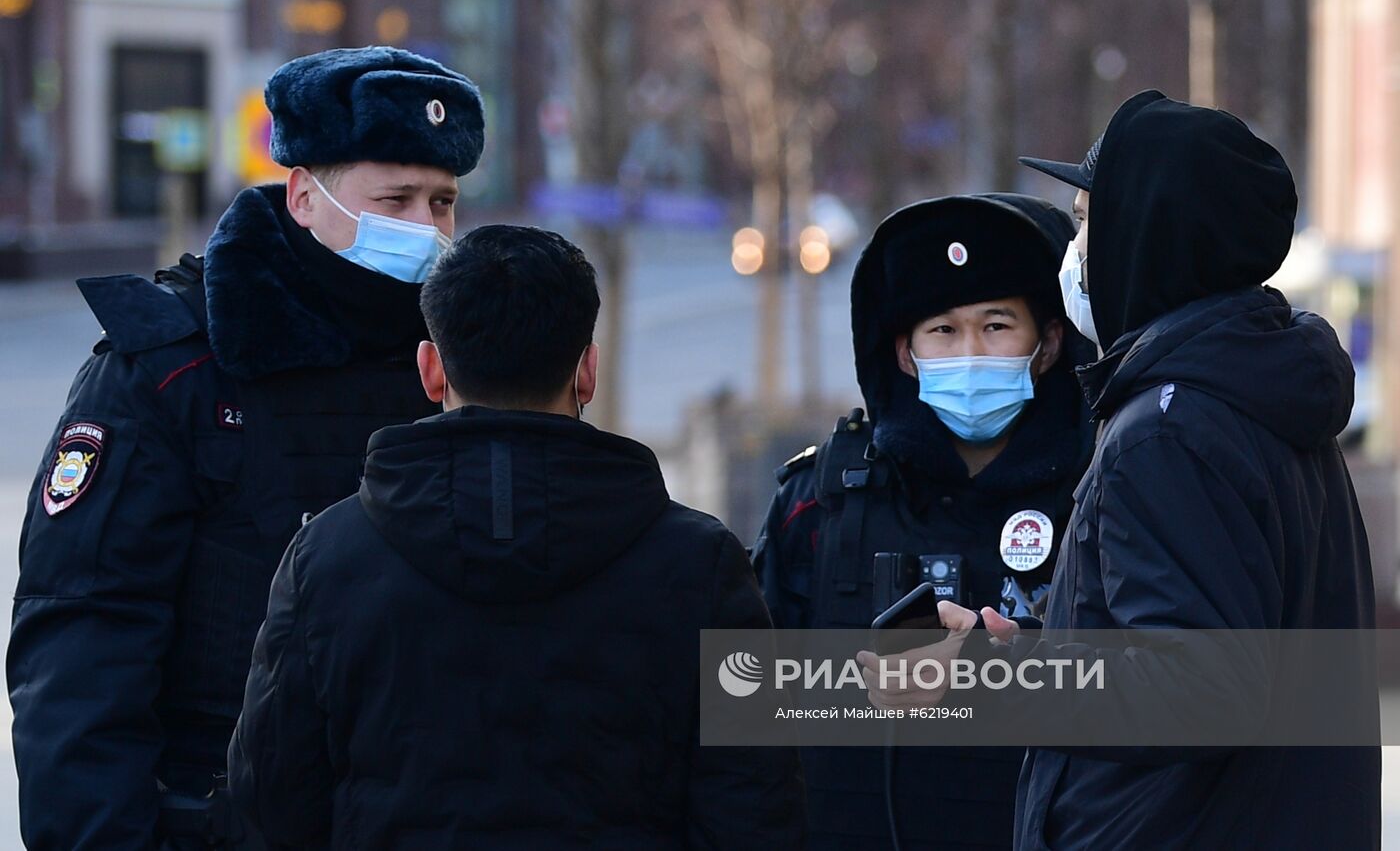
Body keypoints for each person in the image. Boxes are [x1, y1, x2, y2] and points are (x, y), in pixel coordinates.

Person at [862, 90, 1380, 849]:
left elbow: (1200, 689)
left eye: (1082, 224)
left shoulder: (1167, 433)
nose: (1071, 258)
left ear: (1144, 239)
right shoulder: (1257, 396)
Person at [8, 45, 485, 850]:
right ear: (304, 195)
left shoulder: (463, 360)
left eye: (441, 204)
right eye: (396, 197)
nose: (424, 230)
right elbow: (82, 651)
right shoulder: (169, 368)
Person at [226, 224, 806, 848]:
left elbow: (269, 800)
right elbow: (757, 807)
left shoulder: (326, 561)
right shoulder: (702, 564)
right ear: (587, 371)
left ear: (430, 369)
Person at [751, 193, 1093, 849]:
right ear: (905, 352)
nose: (970, 352)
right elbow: (743, 704)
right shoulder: (823, 500)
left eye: (997, 327)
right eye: (942, 329)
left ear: (1048, 344)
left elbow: (1169, 690)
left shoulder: (1103, 494)